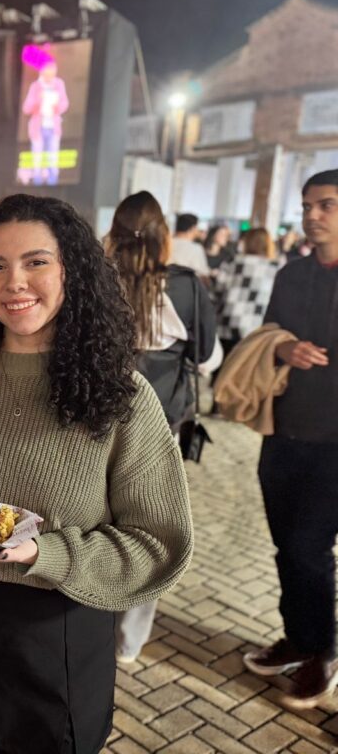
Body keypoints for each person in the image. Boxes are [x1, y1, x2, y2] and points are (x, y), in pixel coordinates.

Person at [0, 194, 193, 754]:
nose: (14, 281)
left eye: (36, 262)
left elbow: (159, 543)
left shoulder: (121, 396)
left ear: (73, 270)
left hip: (57, 623)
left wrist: (48, 553)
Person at [106, 191, 217, 662]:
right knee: (151, 529)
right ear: (164, 236)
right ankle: (128, 642)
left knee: (94, 520)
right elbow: (207, 357)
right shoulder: (187, 286)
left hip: (94, 420)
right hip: (159, 426)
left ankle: (90, 613)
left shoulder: (96, 279)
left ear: (113, 232)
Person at [243, 170, 338, 711]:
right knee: (288, 546)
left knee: (309, 546)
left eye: (325, 205)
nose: (312, 216)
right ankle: (299, 639)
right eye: (307, 205)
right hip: (284, 433)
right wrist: (283, 350)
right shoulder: (292, 274)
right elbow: (267, 333)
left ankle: (321, 650)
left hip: (334, 443)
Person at [215, 228, 281, 355]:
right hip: (256, 326)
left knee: (223, 370)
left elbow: (218, 289)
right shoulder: (275, 267)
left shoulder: (232, 262)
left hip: (227, 322)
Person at [22, 60, 69, 186]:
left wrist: (56, 106)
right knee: (37, 157)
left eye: (52, 73)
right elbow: (26, 108)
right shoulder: (35, 86)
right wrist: (38, 101)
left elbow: (65, 104)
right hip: (38, 128)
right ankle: (37, 181)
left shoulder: (59, 84)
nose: (50, 76)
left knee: (52, 156)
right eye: (47, 73)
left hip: (53, 127)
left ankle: (53, 182)